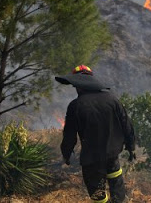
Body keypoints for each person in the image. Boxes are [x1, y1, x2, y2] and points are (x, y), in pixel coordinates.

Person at [55, 65, 136, 203]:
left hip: (92, 159)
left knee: (97, 193)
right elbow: (126, 125)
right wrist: (131, 146)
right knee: (117, 186)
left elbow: (69, 135)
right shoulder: (112, 99)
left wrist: (66, 154)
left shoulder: (76, 105)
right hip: (112, 154)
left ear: (78, 85)